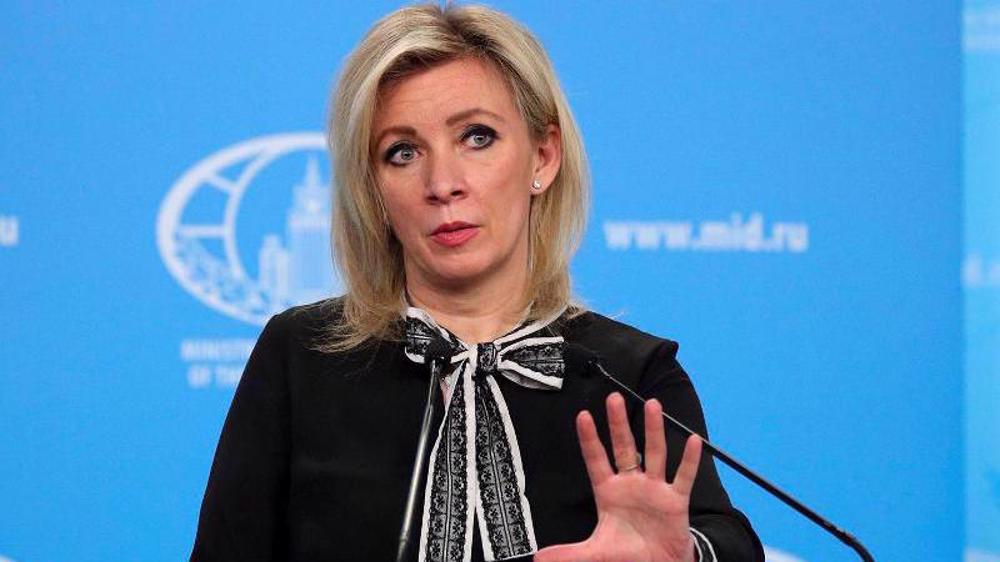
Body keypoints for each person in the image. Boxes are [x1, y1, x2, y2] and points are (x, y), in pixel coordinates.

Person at [190, 3, 764, 562]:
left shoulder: (629, 373)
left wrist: (685, 557)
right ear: (375, 192)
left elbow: (729, 541)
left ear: (543, 156)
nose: (443, 183)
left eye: (477, 137)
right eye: (403, 152)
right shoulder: (302, 355)